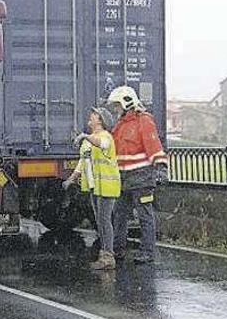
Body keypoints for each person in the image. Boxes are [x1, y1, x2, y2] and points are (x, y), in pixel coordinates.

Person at [107, 86, 168, 264]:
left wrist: (161, 168)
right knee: (119, 214)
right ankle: (118, 249)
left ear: (127, 102)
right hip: (124, 178)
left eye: (117, 105)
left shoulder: (144, 121)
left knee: (144, 215)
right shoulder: (119, 125)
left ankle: (148, 252)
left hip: (142, 178)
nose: (115, 109)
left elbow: (154, 146)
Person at [63, 107, 121, 270]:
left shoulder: (105, 137)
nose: (91, 116)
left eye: (94, 115)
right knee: (100, 221)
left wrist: (86, 137)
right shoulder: (90, 139)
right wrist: (72, 178)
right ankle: (104, 255)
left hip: (108, 185)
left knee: (104, 221)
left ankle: (108, 256)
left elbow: (102, 144)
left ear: (100, 121)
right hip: (95, 186)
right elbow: (83, 161)